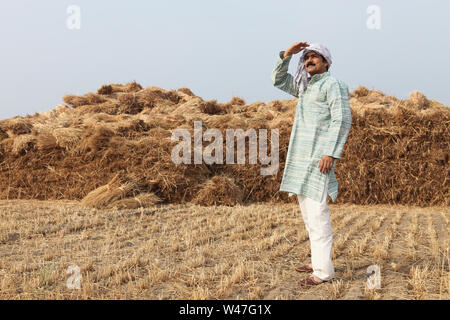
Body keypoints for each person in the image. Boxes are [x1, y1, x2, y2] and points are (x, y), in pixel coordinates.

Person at [271, 42, 352, 286]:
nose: (309, 60)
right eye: (306, 57)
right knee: (308, 215)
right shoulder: (305, 87)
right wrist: (287, 55)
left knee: (318, 215)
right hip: (301, 158)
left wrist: (330, 152)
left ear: (326, 62)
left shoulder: (333, 85)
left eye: (315, 56)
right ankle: (318, 261)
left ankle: (323, 273)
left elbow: (342, 119)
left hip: (319, 159)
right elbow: (277, 79)